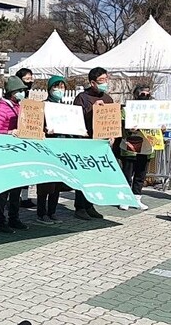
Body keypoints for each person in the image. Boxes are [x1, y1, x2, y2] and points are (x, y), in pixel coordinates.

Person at [71, 67, 113, 220]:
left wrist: (112, 135)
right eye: (102, 81)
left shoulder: (108, 98)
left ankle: (90, 205)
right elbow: (75, 119)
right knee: (83, 176)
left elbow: (111, 120)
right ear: (92, 83)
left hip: (100, 143)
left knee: (95, 176)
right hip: (84, 142)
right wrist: (92, 110)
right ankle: (80, 207)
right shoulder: (82, 98)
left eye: (107, 80)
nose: (105, 83)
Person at [0, 76, 29, 234]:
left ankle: (14, 218)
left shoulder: (18, 106)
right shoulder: (2, 108)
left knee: (16, 189)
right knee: (3, 191)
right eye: (19, 91)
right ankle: (0, 221)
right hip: (4, 154)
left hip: (17, 153)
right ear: (12, 92)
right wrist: (10, 132)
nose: (22, 93)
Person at [117, 85, 156, 211]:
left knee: (141, 174)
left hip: (147, 145)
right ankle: (124, 199)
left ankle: (137, 198)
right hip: (131, 145)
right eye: (142, 94)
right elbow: (121, 126)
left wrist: (162, 129)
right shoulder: (127, 109)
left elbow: (158, 126)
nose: (145, 96)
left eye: (147, 94)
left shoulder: (154, 110)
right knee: (127, 173)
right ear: (136, 95)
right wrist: (128, 129)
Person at [35, 76, 68, 225]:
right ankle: (41, 214)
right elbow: (35, 127)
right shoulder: (43, 106)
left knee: (57, 183)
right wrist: (45, 129)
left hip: (60, 148)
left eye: (62, 87)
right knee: (44, 183)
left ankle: (52, 212)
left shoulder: (66, 108)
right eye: (56, 87)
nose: (59, 90)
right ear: (49, 89)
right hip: (46, 148)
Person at [13, 68, 37, 208]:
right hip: (17, 138)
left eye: (31, 79)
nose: (30, 82)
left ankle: (25, 197)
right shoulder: (15, 99)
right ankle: (15, 199)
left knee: (28, 170)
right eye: (27, 79)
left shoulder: (29, 97)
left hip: (29, 136)